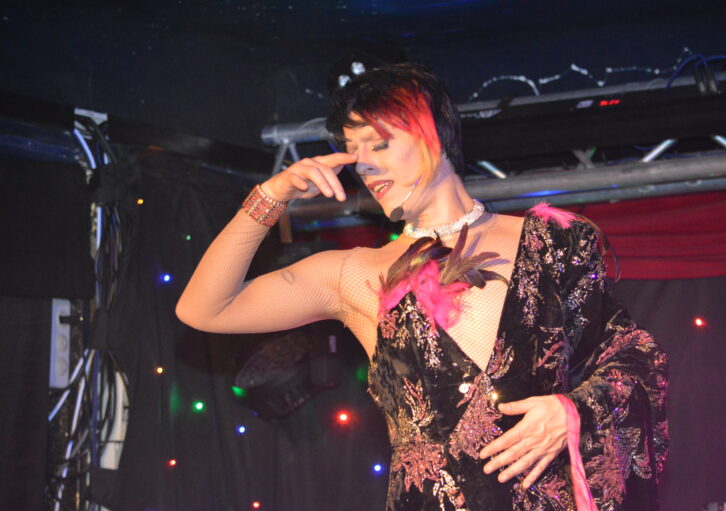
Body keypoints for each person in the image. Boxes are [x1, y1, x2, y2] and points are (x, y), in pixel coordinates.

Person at [176, 63, 668, 511]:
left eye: (378, 144)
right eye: (353, 151)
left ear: (432, 131)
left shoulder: (552, 242)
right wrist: (270, 195)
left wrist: (574, 411)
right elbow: (204, 309)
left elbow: (634, 357)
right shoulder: (354, 273)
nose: (363, 165)